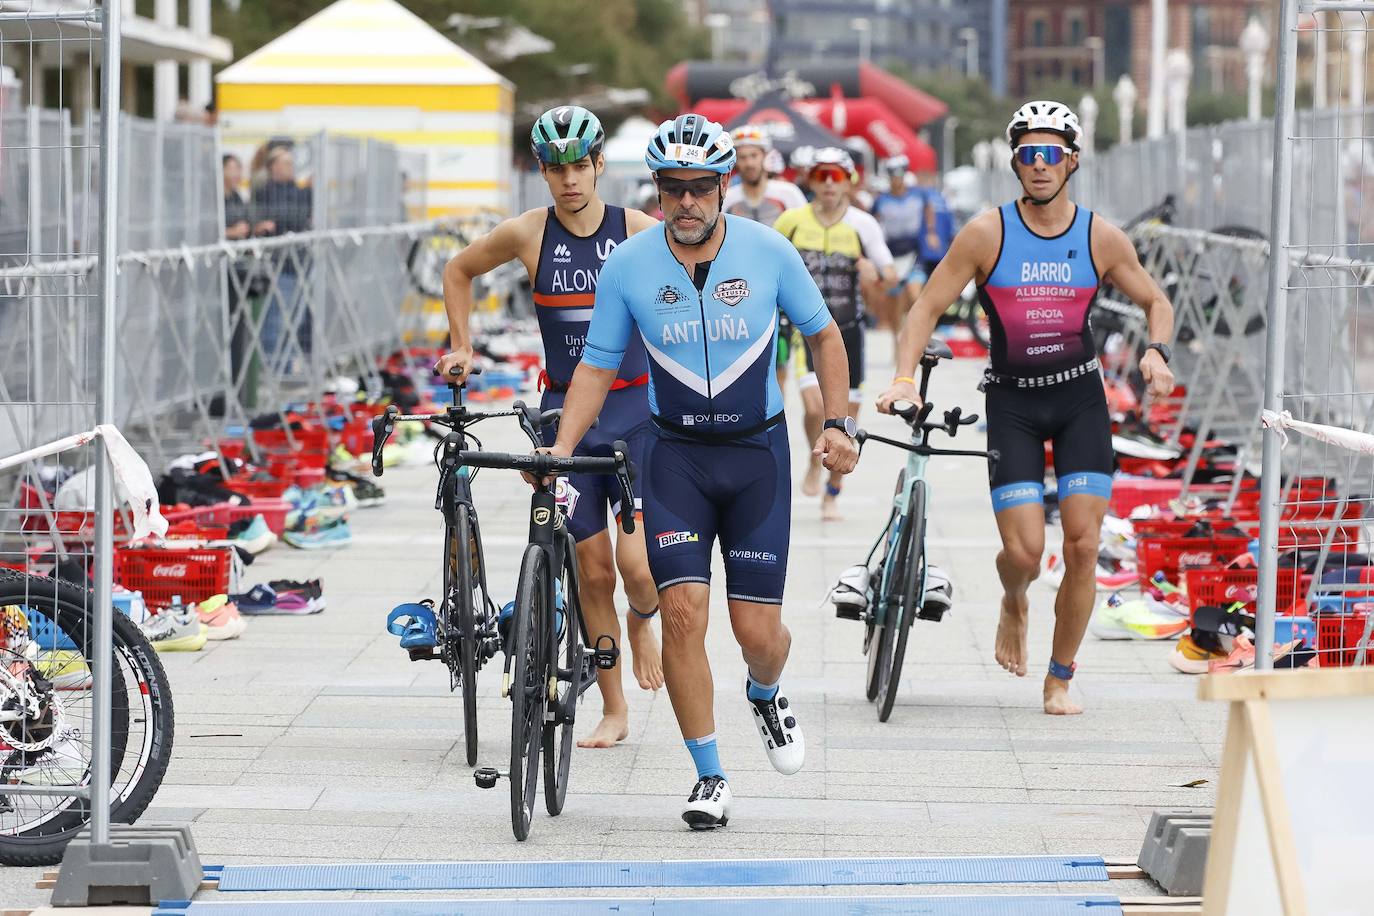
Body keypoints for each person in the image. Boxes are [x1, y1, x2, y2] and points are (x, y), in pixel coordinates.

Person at [541, 114, 858, 829]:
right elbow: (594, 366)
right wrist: (561, 448)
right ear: (657, 192)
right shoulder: (628, 265)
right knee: (681, 615)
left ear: (723, 189)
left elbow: (824, 333)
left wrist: (836, 424)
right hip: (676, 457)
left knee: (758, 634)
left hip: (756, 459)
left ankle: (766, 691)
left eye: (700, 189)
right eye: (672, 189)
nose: (686, 202)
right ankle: (709, 775)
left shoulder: (769, 251)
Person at [877, 101, 1176, 716]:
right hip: (1011, 402)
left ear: (1070, 160)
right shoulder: (988, 233)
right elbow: (925, 309)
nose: (1038, 166)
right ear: (1015, 162)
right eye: (1027, 155)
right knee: (1023, 553)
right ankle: (1015, 600)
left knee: (1084, 547)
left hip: (1079, 401)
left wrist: (1158, 352)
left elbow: (1156, 299)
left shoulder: (1099, 236)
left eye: (1050, 154)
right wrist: (905, 378)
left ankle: (1059, 676)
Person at [434, 105, 664, 748]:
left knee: (638, 568)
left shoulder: (641, 230)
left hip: (635, 411)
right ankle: (614, 708)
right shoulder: (528, 234)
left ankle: (642, 620)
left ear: (598, 167)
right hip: (564, 414)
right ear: (543, 172)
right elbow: (457, 270)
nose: (569, 180)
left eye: (580, 167)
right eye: (556, 169)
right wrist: (462, 344)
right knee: (593, 573)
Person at [774, 148, 896, 521]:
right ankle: (815, 457)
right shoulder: (792, 221)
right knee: (814, 407)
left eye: (837, 176)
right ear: (810, 180)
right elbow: (765, 262)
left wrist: (871, 271)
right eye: (822, 175)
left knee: (847, 422)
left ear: (849, 182)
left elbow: (890, 275)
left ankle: (831, 496)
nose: (829, 183)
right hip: (803, 333)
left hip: (848, 333)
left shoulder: (863, 225)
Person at [722, 125, 809, 394]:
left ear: (764, 156)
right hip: (741, 291)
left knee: (779, 363)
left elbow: (806, 237)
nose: (749, 163)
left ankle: (775, 422)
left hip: (781, 288)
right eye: (743, 156)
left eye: (754, 155)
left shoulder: (788, 193)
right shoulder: (728, 198)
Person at [251, 145, 313, 370]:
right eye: (286, 163)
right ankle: (272, 370)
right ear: (273, 166)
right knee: (275, 322)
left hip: (299, 265)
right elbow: (289, 219)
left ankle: (284, 369)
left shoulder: (295, 190)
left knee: (294, 322)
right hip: (279, 266)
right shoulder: (266, 191)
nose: (291, 168)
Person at [871, 155, 930, 333]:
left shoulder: (918, 194)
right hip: (892, 254)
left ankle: (921, 334)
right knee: (894, 304)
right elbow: (872, 221)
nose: (897, 180)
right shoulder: (881, 200)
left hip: (914, 252)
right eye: (893, 176)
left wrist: (932, 231)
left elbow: (929, 208)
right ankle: (897, 344)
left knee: (914, 293)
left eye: (900, 176)